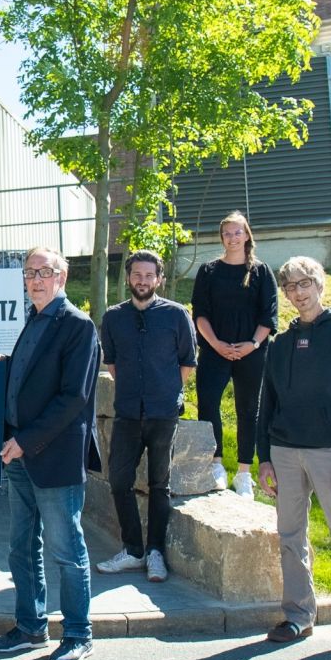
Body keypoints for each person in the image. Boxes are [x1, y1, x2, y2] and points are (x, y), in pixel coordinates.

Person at [257, 256, 331, 659]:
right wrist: (266, 458)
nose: (298, 292)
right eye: (290, 286)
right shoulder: (281, 344)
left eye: (304, 283)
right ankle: (298, 616)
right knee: (291, 537)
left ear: (319, 284)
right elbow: (266, 403)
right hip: (285, 452)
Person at [0, 246, 99, 660]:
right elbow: (38, 372)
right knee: (21, 547)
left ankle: (78, 634)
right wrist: (7, 364)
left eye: (43, 272)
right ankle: (31, 627)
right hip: (20, 454)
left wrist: (25, 441)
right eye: (29, 272)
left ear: (61, 277)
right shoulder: (35, 318)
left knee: (66, 549)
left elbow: (73, 397)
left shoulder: (77, 325)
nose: (35, 279)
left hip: (51, 457)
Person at [95, 250, 196, 583]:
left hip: (163, 413)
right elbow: (113, 365)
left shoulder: (177, 315)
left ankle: (155, 553)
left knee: (159, 484)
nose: (142, 281)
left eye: (149, 275)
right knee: (120, 481)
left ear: (159, 279)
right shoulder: (113, 317)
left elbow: (187, 365)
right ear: (128, 278)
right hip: (127, 412)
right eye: (137, 275)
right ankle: (133, 550)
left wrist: (163, 392)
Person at [191, 211, 279, 498]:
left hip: (251, 352)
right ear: (221, 237)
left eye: (237, 232)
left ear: (247, 235)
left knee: (248, 410)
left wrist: (251, 344)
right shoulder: (208, 271)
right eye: (227, 233)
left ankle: (243, 473)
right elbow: (200, 314)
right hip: (215, 350)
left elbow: (269, 316)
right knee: (208, 405)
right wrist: (215, 343)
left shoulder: (261, 272)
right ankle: (216, 465)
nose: (232, 238)